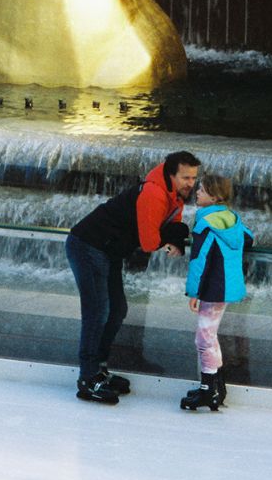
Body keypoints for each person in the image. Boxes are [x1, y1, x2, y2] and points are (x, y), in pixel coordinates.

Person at [65, 151, 201, 404]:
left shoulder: (175, 197)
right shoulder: (154, 193)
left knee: (117, 310)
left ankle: (100, 369)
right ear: (171, 175)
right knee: (98, 311)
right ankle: (88, 378)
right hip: (88, 246)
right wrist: (170, 237)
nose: (191, 183)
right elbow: (149, 242)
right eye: (185, 178)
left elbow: (171, 227)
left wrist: (174, 237)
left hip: (109, 250)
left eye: (194, 178)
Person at [180, 173, 253, 412]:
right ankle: (217, 388)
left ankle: (208, 390)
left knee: (203, 339)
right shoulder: (232, 218)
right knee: (210, 337)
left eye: (201, 190)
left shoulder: (205, 223)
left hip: (212, 288)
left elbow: (199, 261)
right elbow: (249, 239)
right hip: (228, 286)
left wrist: (194, 293)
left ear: (213, 197)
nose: (196, 192)